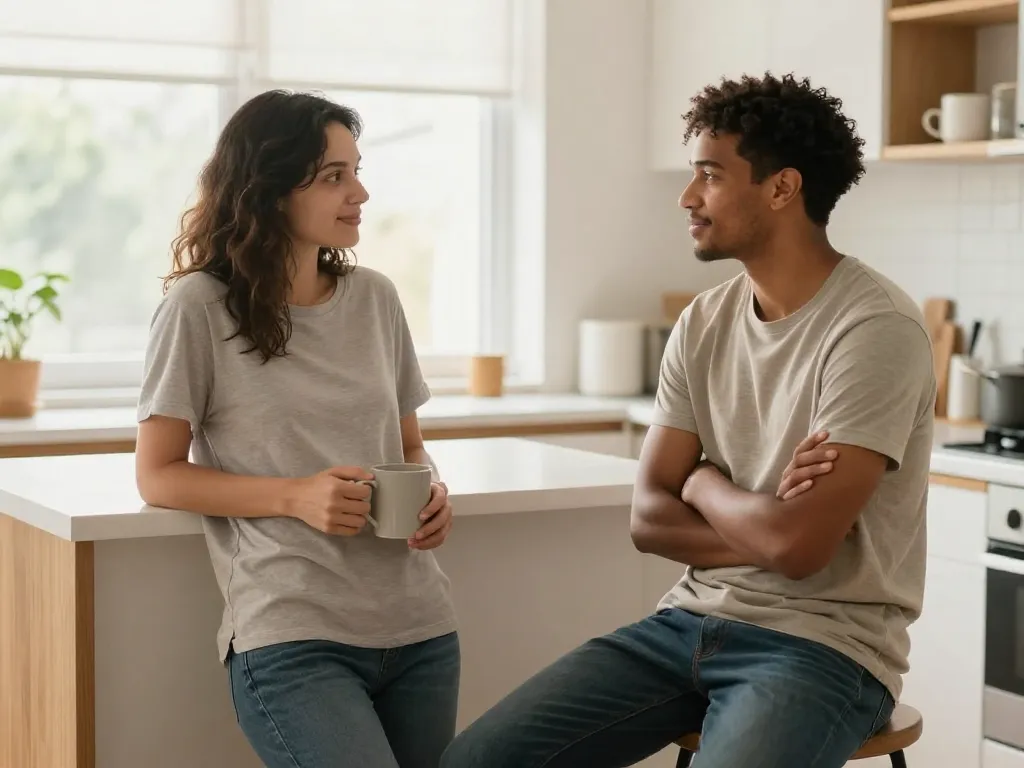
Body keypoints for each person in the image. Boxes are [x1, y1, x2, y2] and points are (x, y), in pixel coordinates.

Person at [441, 72, 935, 767]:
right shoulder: (703, 320)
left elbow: (800, 551)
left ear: (781, 188)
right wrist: (765, 523)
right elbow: (648, 520)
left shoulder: (874, 328)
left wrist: (701, 484)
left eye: (708, 174)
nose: (687, 197)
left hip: (824, 645)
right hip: (684, 626)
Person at [134, 90, 459, 768]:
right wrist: (294, 496)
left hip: (420, 627)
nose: (360, 192)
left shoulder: (376, 298)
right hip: (293, 634)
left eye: (357, 170)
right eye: (334, 176)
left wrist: (431, 490)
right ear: (270, 189)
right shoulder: (198, 307)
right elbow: (158, 474)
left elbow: (408, 446)